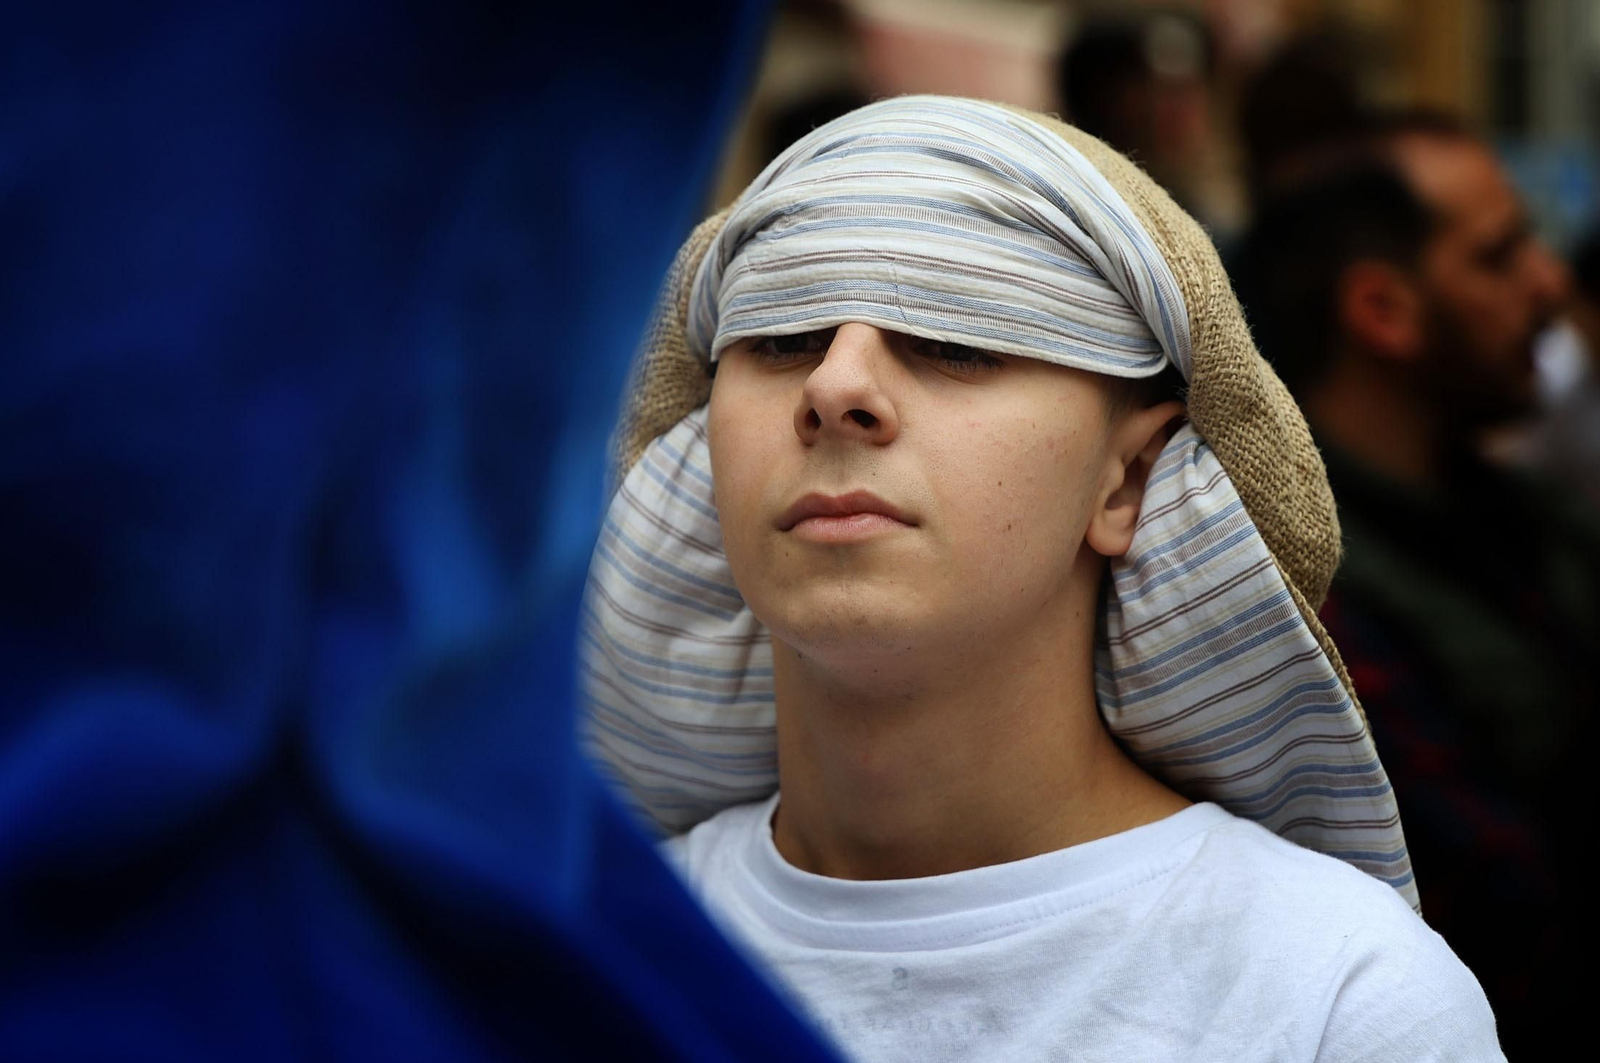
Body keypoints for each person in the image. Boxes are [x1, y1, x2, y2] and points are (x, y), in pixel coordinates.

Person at [580, 95, 1503, 1060]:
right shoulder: (567, 954)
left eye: (958, 338)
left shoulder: (1340, 996)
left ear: (1128, 479)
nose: (835, 386)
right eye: (780, 336)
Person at [1233, 110, 1596, 1058]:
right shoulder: (1309, 603)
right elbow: (1516, 918)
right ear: (1383, 310)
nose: (1550, 285)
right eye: (1501, 255)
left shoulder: (1526, 517)